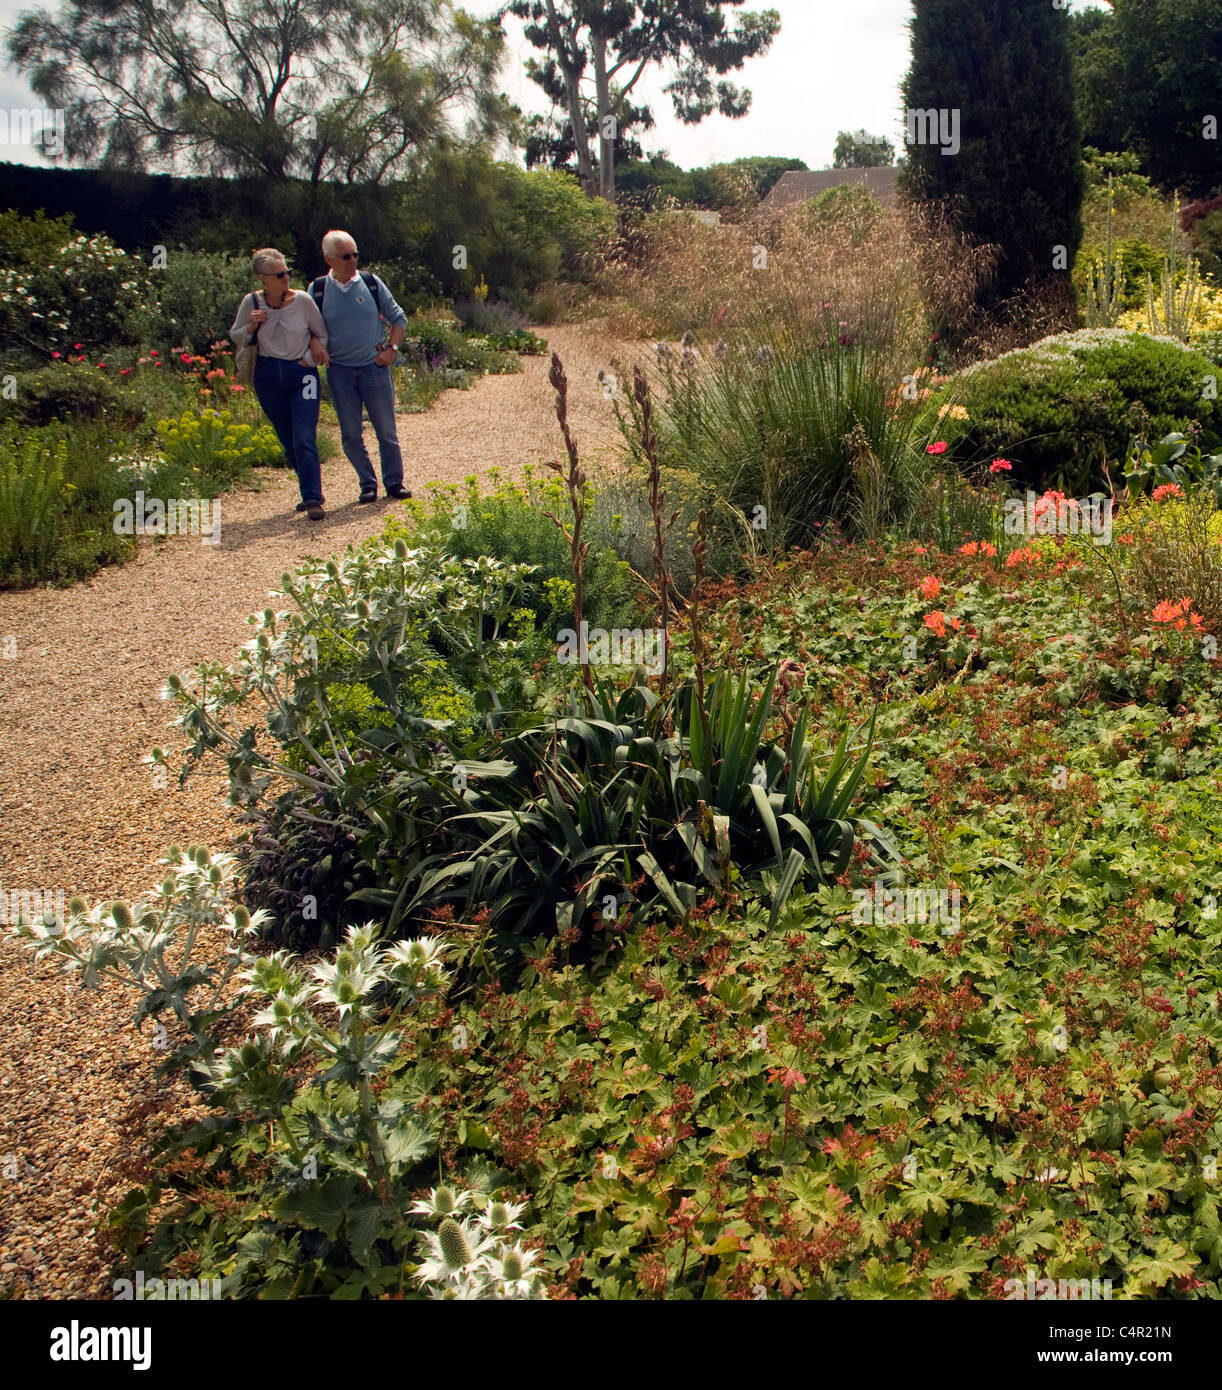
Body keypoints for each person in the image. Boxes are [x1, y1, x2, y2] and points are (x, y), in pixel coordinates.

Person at [310, 230, 411, 503]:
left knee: (386, 431)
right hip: (340, 372)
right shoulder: (317, 289)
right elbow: (307, 326)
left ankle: (394, 483)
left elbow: (398, 318)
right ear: (329, 259)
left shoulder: (371, 283)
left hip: (374, 368)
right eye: (346, 256)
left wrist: (392, 350)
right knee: (351, 435)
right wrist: (315, 344)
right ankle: (368, 484)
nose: (353, 260)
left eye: (355, 254)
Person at [230, 249, 330, 520]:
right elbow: (236, 336)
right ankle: (310, 489)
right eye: (279, 274)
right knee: (288, 441)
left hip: (303, 375)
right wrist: (251, 327)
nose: (286, 277)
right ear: (264, 278)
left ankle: (312, 499)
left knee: (304, 438)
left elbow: (322, 333)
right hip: (268, 376)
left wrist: (308, 359)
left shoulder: (303, 301)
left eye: (287, 272)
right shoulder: (251, 302)